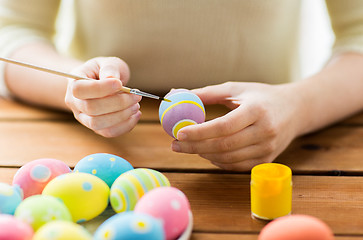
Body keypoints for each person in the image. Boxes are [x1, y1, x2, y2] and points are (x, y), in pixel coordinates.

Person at [1, 1, 363, 171]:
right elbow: (11, 32)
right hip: (101, 142)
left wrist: (299, 105)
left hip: (269, 137)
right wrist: (74, 85)